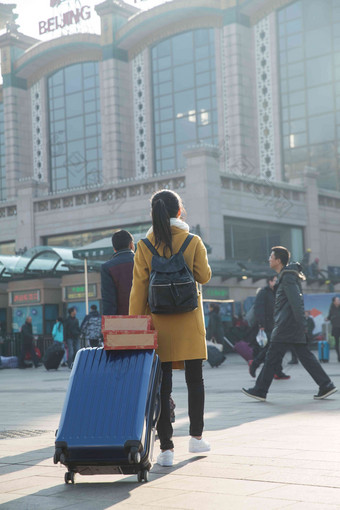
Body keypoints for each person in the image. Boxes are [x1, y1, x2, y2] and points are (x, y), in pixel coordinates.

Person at [129, 189, 211, 467]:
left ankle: (166, 449)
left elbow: (138, 291)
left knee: (162, 388)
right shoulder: (192, 240)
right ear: (179, 212)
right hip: (189, 323)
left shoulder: (144, 245)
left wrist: (135, 326)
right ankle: (196, 437)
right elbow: (204, 276)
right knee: (195, 381)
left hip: (159, 327)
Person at [242, 246, 336, 401]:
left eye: (271, 257)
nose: (269, 259)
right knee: (304, 356)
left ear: (278, 260)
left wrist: (302, 324)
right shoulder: (286, 276)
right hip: (290, 325)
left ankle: (260, 390)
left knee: (272, 357)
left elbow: (296, 302)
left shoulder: (287, 277)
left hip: (287, 325)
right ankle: (326, 385)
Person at [249, 276, 290, 380]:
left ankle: (277, 371)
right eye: (275, 281)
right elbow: (259, 309)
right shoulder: (263, 293)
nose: (276, 283)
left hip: (277, 325)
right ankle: (255, 364)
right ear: (270, 282)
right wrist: (261, 325)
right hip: (267, 326)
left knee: (277, 348)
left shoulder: (276, 293)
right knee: (270, 348)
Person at [101, 230, 135, 315]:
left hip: (121, 321)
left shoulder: (107, 267)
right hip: (144, 318)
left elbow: (108, 301)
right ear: (131, 245)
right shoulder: (143, 262)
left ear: (114, 249)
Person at [326, 296, 340, 362]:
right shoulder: (332, 308)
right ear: (334, 302)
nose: (339, 301)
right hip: (335, 327)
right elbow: (329, 316)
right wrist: (327, 318)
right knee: (336, 342)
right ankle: (339, 356)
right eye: (337, 300)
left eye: (339, 300)